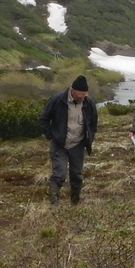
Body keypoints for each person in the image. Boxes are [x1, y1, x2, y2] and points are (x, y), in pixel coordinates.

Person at [39, 75, 99, 205]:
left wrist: (90, 139)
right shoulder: (57, 99)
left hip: (78, 144)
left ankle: (75, 203)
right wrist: (51, 136)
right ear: (73, 90)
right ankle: (54, 202)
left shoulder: (89, 103)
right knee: (59, 174)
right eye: (80, 94)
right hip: (59, 144)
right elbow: (44, 119)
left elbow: (93, 124)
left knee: (76, 175)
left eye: (85, 94)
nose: (82, 97)